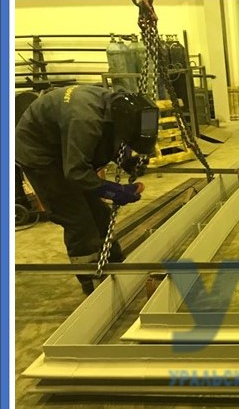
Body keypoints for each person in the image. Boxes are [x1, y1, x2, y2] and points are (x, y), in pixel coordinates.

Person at [15, 85, 159, 295]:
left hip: (64, 143)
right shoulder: (85, 121)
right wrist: (114, 191)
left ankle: (116, 265)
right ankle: (90, 281)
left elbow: (108, 138)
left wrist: (127, 161)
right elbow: (75, 172)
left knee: (100, 214)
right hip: (42, 157)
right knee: (79, 221)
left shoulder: (116, 110)